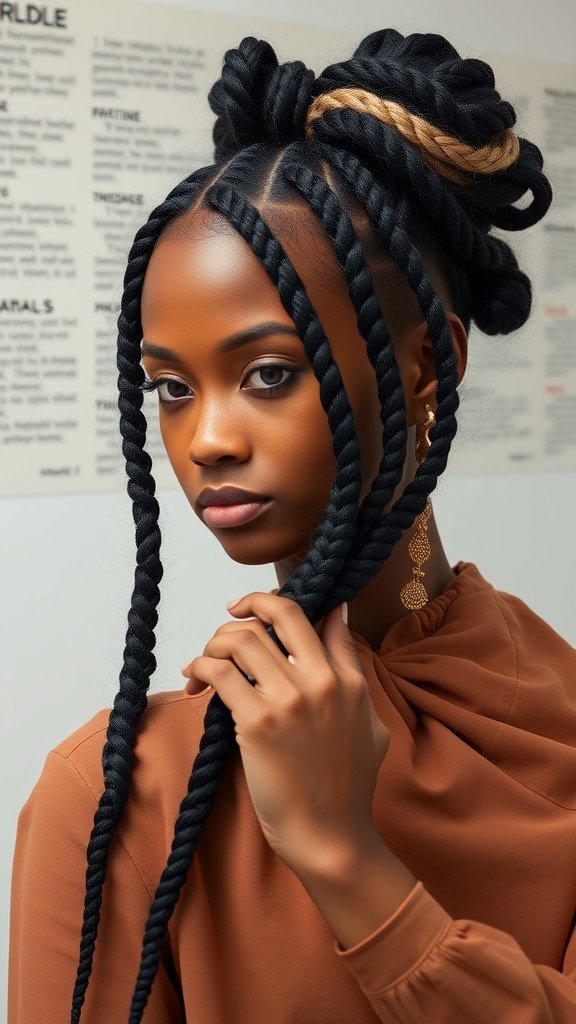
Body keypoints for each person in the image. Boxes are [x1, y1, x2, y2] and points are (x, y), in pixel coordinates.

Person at [8, 26, 576, 1024]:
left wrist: (340, 855)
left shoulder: (561, 720)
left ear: (427, 365)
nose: (208, 438)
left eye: (268, 371)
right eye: (170, 387)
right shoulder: (116, 795)